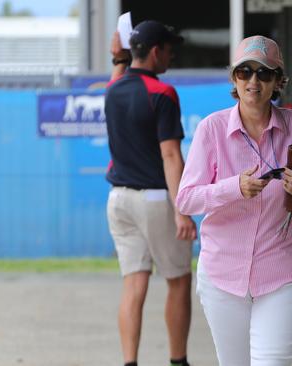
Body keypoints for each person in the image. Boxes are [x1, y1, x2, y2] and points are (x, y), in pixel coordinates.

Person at [176, 35, 292, 366]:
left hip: (283, 269)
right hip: (223, 273)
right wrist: (234, 188)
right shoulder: (211, 129)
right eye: (245, 72)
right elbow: (186, 200)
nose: (253, 81)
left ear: (278, 81)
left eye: (264, 73)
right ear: (234, 78)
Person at [104, 20, 197, 366]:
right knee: (178, 282)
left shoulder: (112, 90)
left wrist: (118, 59)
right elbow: (171, 155)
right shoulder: (163, 93)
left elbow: (117, 80)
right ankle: (178, 361)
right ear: (156, 51)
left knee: (133, 286)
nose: (172, 54)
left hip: (119, 201)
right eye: (170, 48)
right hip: (156, 200)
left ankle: (130, 362)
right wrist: (182, 209)